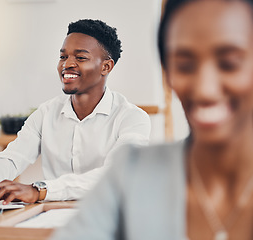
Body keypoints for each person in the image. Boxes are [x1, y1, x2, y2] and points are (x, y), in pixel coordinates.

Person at [51, 0, 253, 239]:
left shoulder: (131, 118)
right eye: (185, 65)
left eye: (229, 64)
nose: (205, 89)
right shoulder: (131, 173)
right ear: (168, 74)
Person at [0, 19, 151, 204]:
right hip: (52, 214)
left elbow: (115, 174)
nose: (67, 64)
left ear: (106, 66)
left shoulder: (133, 118)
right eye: (63, 57)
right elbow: (13, 157)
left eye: (80, 57)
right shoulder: (46, 112)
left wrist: (40, 190)